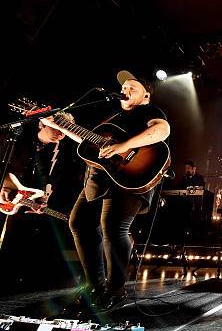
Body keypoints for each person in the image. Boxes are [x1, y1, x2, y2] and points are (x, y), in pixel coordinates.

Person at [42, 70, 170, 313]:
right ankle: (95, 284)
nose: (126, 89)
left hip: (130, 176)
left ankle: (116, 289)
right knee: (79, 222)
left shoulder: (149, 112)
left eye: (133, 87)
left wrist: (125, 145)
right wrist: (55, 123)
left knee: (113, 226)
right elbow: (86, 142)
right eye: (125, 87)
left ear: (145, 97)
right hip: (100, 177)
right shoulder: (110, 118)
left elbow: (162, 131)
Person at [0, 113, 74, 288]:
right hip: (5, 193)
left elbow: (53, 181)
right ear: (43, 124)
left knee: (21, 248)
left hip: (21, 205)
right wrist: (3, 184)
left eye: (66, 129)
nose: (62, 133)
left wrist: (42, 201)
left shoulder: (61, 153)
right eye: (57, 127)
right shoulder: (17, 140)